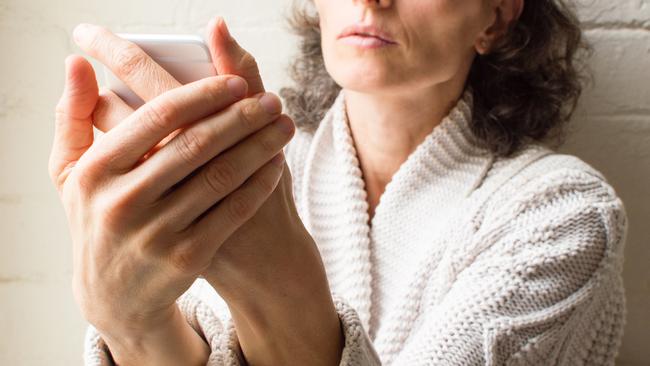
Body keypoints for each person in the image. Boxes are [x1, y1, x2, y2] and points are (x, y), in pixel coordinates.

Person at [48, 0, 628, 365]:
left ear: (496, 17)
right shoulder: (251, 170)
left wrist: (279, 278)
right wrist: (129, 326)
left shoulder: (566, 217)